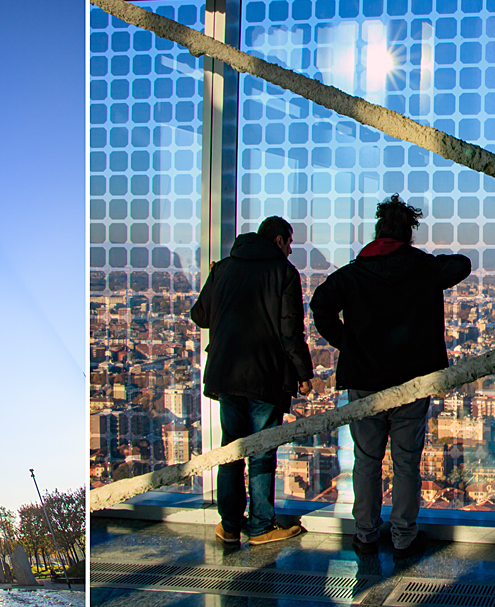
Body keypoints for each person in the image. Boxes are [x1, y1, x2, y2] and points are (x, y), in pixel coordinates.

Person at [310, 194, 471, 559]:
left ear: (377, 232)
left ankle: (365, 534)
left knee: (366, 460)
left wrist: (346, 343)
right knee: (406, 461)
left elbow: (320, 304)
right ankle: (403, 535)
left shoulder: (352, 274)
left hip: (364, 379)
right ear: (408, 234)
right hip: (411, 382)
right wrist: (425, 264)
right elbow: (462, 265)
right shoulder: (423, 268)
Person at [191, 216, 316, 545]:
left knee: (231, 450)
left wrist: (214, 278)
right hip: (266, 377)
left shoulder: (223, 269)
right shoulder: (284, 273)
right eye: (289, 243)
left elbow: (199, 316)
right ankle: (261, 526)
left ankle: (229, 526)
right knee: (261, 452)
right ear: (278, 241)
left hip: (227, 374)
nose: (290, 251)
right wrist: (304, 376)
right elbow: (291, 334)